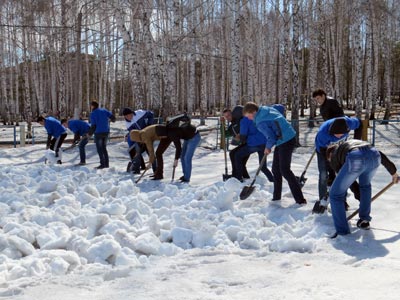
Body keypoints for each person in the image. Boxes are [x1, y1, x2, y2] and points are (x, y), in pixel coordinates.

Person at [326, 140, 398, 236]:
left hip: (356, 158)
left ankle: (342, 231)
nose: (330, 162)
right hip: (374, 155)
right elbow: (379, 154)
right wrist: (393, 172)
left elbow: (349, 184)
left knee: (335, 194)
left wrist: (358, 195)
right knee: (365, 186)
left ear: (330, 155)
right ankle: (364, 219)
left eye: (329, 160)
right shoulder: (350, 144)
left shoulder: (334, 155)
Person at [243, 102, 307, 205]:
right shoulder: (265, 109)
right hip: (285, 138)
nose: (249, 119)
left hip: (285, 140)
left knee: (285, 170)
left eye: (249, 116)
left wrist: (268, 147)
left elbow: (271, 137)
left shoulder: (260, 121)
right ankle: (276, 197)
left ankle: (300, 200)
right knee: (276, 170)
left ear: (254, 112)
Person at [314, 117, 362, 211]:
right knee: (323, 175)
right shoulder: (323, 134)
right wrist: (332, 168)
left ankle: (342, 202)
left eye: (342, 134)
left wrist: (355, 142)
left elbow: (360, 123)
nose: (340, 136)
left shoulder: (349, 123)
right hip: (323, 151)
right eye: (337, 135)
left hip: (340, 150)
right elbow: (324, 154)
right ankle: (322, 202)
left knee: (342, 175)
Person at [130, 122, 197, 180]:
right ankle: (158, 173)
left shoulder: (144, 136)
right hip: (164, 134)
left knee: (158, 153)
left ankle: (159, 174)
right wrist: (151, 160)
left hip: (166, 135)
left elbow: (150, 150)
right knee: (158, 153)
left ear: (136, 137)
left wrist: (150, 162)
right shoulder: (143, 132)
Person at [232, 115, 274, 182]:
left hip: (254, 143)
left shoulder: (244, 120)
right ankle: (273, 181)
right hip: (265, 143)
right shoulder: (260, 116)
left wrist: (238, 138)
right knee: (263, 166)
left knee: (237, 155)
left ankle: (239, 178)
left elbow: (243, 136)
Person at [221, 106, 250, 179]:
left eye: (228, 115)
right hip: (244, 144)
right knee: (234, 156)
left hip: (249, 143)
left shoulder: (240, 120)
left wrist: (241, 135)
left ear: (232, 113)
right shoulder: (231, 126)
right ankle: (243, 177)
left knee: (236, 156)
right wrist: (222, 124)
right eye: (225, 117)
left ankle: (237, 176)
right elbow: (225, 134)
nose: (227, 117)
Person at [122, 107, 154, 173]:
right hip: (140, 138)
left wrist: (149, 125)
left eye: (129, 115)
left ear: (132, 113)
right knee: (134, 149)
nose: (128, 117)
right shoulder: (128, 124)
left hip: (148, 135)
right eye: (126, 116)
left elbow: (151, 114)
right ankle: (138, 166)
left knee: (150, 151)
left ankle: (156, 170)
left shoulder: (140, 113)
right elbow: (133, 133)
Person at [87, 100, 116, 169]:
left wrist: (89, 134)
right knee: (104, 148)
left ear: (93, 106)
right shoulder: (104, 110)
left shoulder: (93, 113)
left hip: (98, 133)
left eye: (91, 105)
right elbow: (113, 118)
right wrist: (111, 120)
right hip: (106, 132)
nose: (90, 107)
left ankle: (102, 164)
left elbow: (93, 126)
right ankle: (106, 164)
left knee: (100, 149)